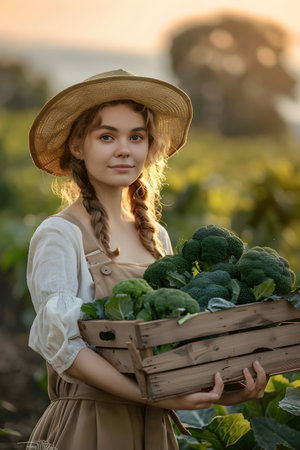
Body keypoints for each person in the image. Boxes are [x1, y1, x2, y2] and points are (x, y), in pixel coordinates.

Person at [26, 69, 267, 450]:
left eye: (136, 136)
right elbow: (64, 348)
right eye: (107, 136)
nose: (124, 149)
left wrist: (222, 390)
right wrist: (153, 397)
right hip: (91, 427)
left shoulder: (156, 236)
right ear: (77, 146)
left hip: (155, 430)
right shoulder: (60, 235)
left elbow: (173, 342)